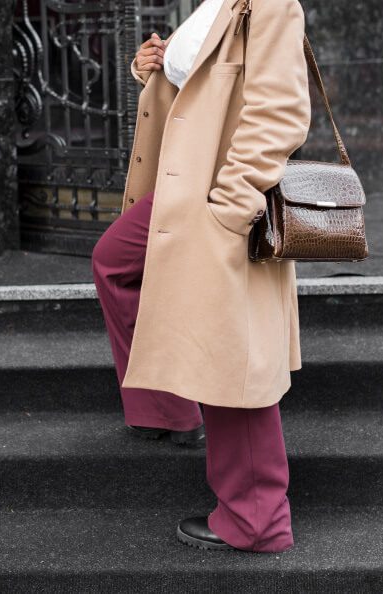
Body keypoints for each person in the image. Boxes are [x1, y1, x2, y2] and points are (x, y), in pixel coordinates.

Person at [92, 0, 311, 552]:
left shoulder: (270, 4)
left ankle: (257, 520)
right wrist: (155, 65)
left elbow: (280, 112)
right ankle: (170, 407)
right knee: (115, 261)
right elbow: (206, 87)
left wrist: (231, 208)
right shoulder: (215, 4)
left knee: (232, 349)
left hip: (220, 198)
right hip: (185, 191)